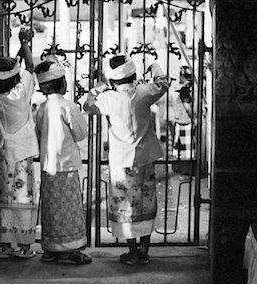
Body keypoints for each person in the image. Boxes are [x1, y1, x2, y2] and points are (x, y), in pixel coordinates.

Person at [83, 54, 169, 265]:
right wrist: (153, 65)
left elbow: (87, 105)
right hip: (144, 158)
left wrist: (100, 86)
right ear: (134, 74)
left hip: (121, 161)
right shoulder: (144, 92)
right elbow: (163, 82)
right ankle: (145, 249)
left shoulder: (108, 99)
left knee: (125, 205)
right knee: (147, 201)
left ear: (112, 79)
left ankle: (132, 252)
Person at [34, 56, 92, 265]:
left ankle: (51, 248)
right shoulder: (68, 106)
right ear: (62, 84)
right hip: (67, 166)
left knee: (51, 209)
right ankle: (73, 249)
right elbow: (81, 133)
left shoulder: (41, 109)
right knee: (70, 209)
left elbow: (38, 134)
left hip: (48, 167)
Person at [0, 28, 39, 259]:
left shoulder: (3, 96)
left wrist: (21, 47)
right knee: (23, 198)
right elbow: (30, 68)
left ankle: (5, 244)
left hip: (5, 155)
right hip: (23, 155)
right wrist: (26, 42)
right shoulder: (20, 94)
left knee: (5, 199)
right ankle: (25, 245)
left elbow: (21, 68)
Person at [172, 66, 196, 175]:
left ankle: (186, 172)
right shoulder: (190, 88)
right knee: (183, 148)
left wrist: (193, 119)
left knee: (186, 151)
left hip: (185, 122)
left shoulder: (184, 90)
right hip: (182, 121)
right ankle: (183, 170)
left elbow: (187, 107)